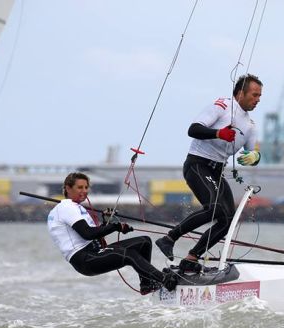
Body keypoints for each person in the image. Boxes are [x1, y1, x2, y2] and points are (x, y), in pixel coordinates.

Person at [155, 74, 263, 273]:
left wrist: (255, 157)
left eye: (260, 96)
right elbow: (193, 129)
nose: (258, 100)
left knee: (227, 219)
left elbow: (253, 151)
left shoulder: (250, 125)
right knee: (214, 208)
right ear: (240, 93)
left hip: (217, 171)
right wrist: (218, 133)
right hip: (197, 165)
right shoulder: (221, 106)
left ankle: (192, 258)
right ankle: (168, 238)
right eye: (254, 95)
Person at [48, 172, 177, 294]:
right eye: (79, 187)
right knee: (129, 255)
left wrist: (106, 223)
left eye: (86, 187)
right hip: (84, 259)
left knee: (144, 242)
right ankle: (165, 280)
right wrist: (114, 226)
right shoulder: (67, 207)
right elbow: (87, 234)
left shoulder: (75, 207)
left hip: (94, 252)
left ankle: (147, 284)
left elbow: (95, 235)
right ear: (68, 188)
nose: (84, 191)